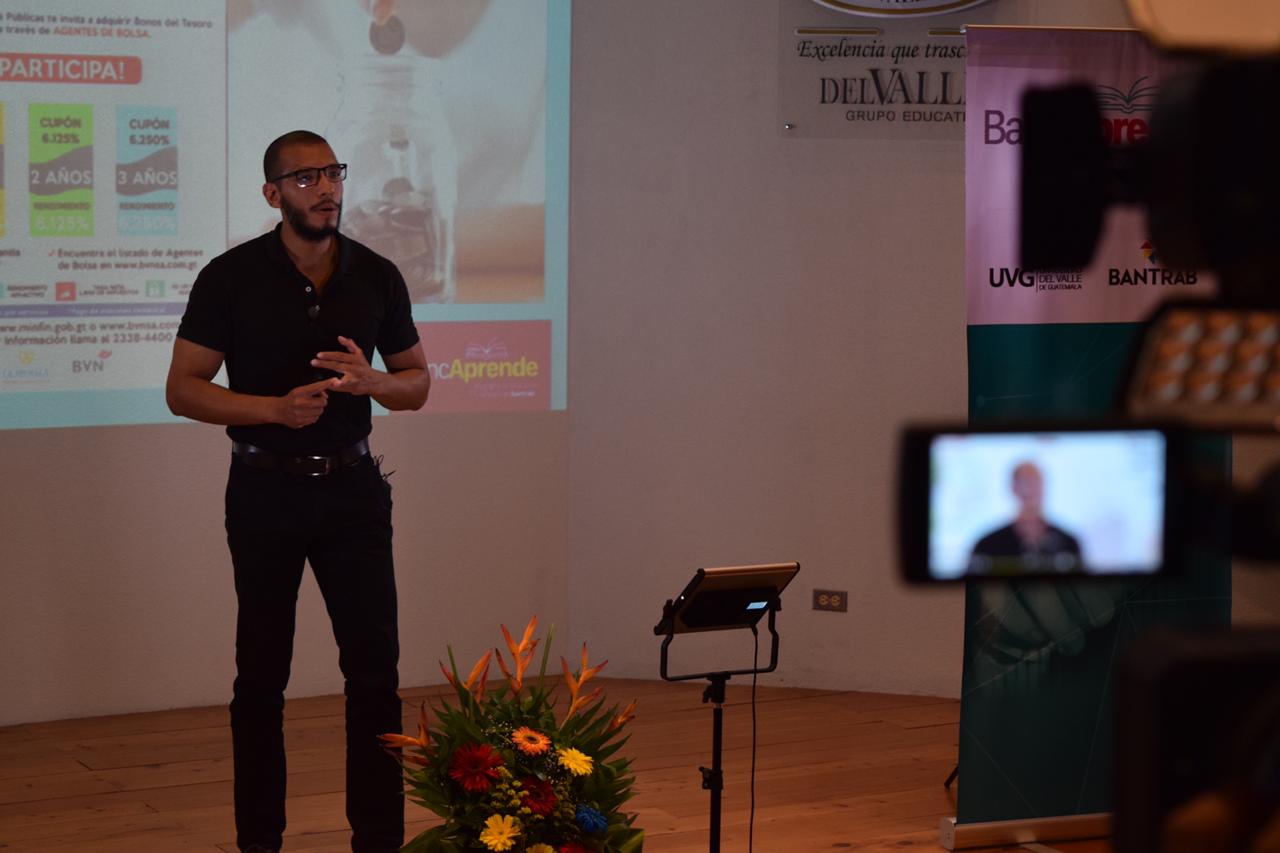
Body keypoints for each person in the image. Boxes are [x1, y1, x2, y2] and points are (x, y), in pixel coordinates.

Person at [166, 129, 430, 853]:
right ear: (272, 192)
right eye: (307, 177)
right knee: (261, 679)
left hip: (354, 493)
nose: (327, 189)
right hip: (264, 494)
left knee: (375, 676)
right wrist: (272, 409)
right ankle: (261, 841)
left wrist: (378, 382)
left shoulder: (377, 274)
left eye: (334, 174)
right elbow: (182, 389)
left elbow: (418, 383)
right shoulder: (230, 277)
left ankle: (378, 839)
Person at [968, 461, 1083, 575]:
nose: (1031, 489)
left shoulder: (1068, 542)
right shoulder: (988, 545)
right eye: (1026, 482)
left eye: (1036, 483)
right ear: (1014, 488)